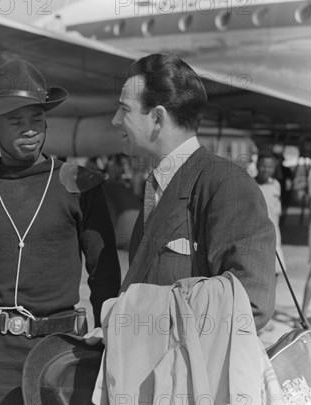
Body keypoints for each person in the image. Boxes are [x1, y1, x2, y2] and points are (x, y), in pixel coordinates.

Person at [0, 59, 121, 405]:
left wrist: (111, 350)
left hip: (60, 361)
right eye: (15, 120)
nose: (29, 130)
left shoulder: (79, 183)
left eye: (36, 118)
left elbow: (105, 278)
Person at [111, 53, 276, 331]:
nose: (116, 120)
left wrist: (142, 324)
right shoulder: (158, 185)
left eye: (124, 109)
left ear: (157, 118)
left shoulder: (226, 184)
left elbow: (251, 301)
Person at [255, 152, 285, 275]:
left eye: (270, 167)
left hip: (274, 234)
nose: (266, 169)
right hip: (255, 235)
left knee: (276, 270)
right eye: (263, 166)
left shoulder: (276, 185)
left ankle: (272, 295)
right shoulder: (250, 184)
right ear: (257, 165)